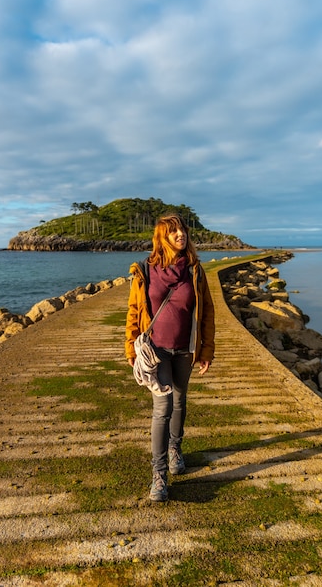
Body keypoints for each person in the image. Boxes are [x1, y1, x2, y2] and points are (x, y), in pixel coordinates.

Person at [125, 213, 215, 502]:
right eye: (173, 231)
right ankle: (159, 474)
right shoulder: (144, 271)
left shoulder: (195, 270)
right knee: (162, 408)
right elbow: (134, 313)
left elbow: (208, 313)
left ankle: (176, 448)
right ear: (162, 237)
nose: (180, 235)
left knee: (180, 402)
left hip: (185, 350)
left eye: (183, 230)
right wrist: (130, 347)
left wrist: (206, 350)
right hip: (157, 350)